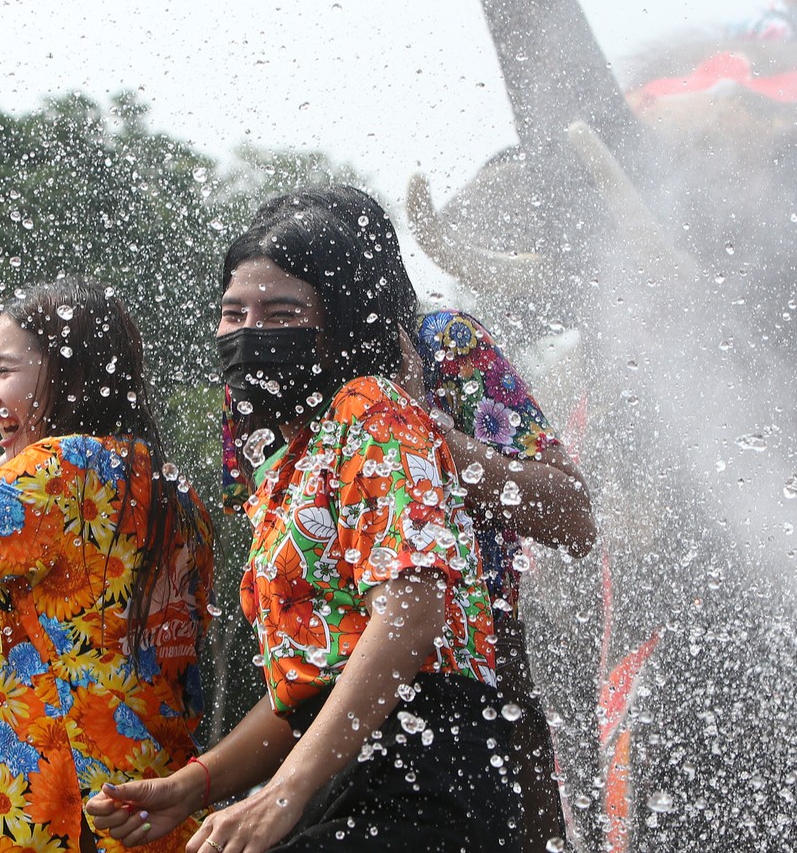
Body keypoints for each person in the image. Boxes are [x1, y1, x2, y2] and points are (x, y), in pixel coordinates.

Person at [92, 199, 511, 852]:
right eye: (234, 315)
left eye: (281, 314)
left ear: (337, 326)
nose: (248, 333)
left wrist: (277, 797)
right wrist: (192, 786)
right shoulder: (287, 464)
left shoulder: (374, 411)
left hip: (424, 787)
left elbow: (410, 618)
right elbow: (309, 688)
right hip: (339, 781)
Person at [219, 186, 593, 846]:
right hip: (322, 690)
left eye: (289, 299)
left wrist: (430, 438)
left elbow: (573, 517)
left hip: (470, 685)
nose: (259, 326)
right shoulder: (255, 378)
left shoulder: (441, 347)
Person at [0, 277, 213, 853]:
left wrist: (7, 463)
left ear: (67, 373)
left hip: (48, 814)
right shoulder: (175, 494)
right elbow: (117, 665)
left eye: (3, 371)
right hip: (150, 816)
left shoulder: (59, 468)